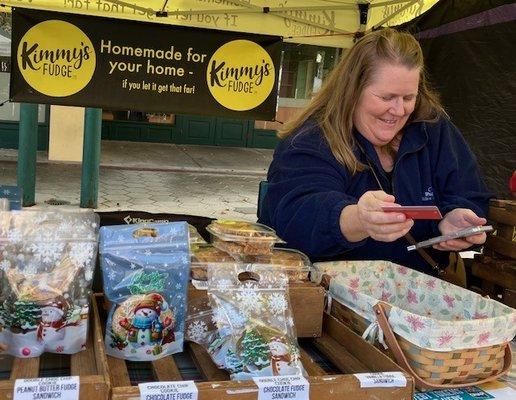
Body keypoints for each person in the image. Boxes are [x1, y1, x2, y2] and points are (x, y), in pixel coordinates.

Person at [258, 28, 493, 275]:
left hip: (421, 288)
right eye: (386, 97)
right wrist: (358, 219)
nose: (399, 110)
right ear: (353, 90)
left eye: (408, 97)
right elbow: (296, 214)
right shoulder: (311, 139)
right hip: (331, 294)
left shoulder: (433, 129)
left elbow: (469, 191)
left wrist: (455, 218)